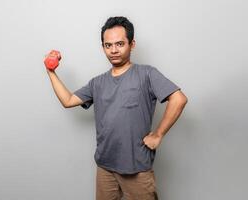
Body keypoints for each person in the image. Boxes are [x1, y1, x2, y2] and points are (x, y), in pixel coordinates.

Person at [45, 16, 188, 200]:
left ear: (132, 44)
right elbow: (69, 100)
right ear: (103, 46)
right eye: (108, 45)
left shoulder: (147, 74)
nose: (113, 50)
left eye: (120, 44)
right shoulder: (97, 82)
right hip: (105, 166)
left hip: (136, 167)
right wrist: (51, 72)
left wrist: (158, 134)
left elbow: (179, 99)